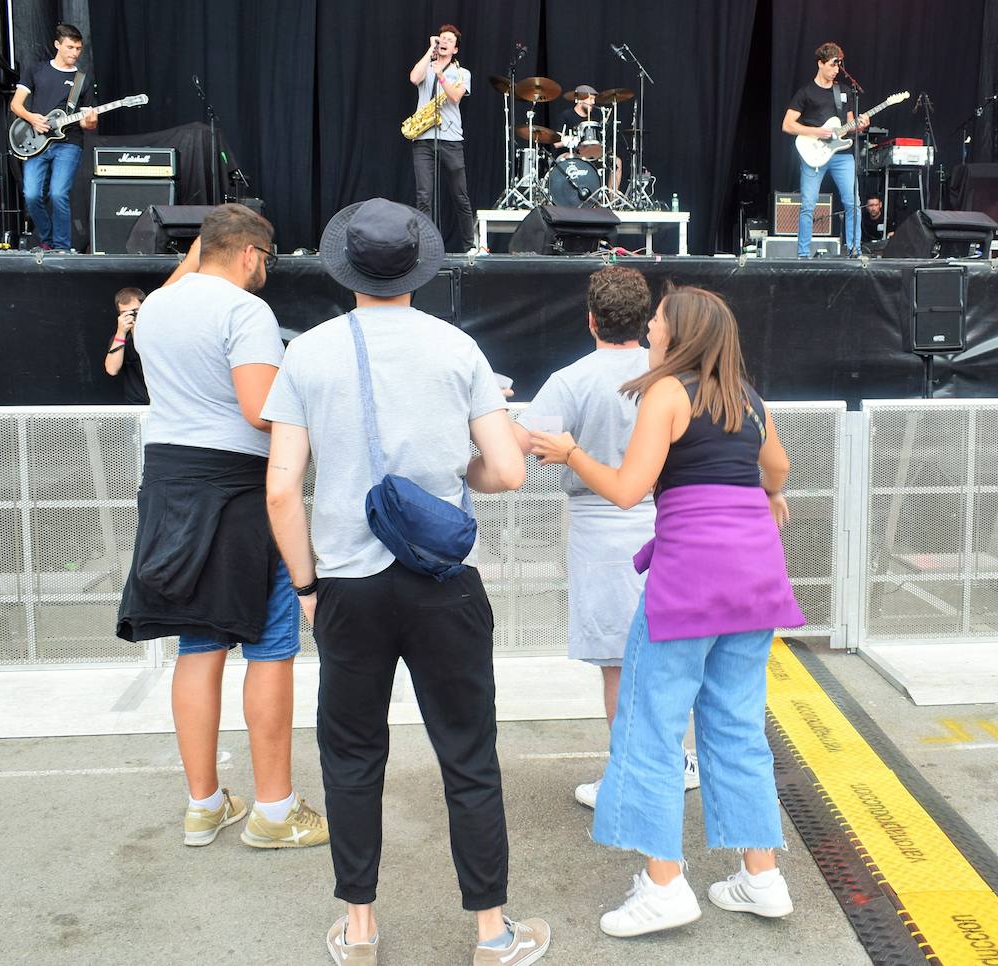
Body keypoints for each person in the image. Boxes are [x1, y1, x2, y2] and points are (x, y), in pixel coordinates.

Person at [263, 197, 550, 966]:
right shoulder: (458, 350)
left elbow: (283, 489)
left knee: (351, 756)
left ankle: (359, 928)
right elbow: (509, 471)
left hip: (348, 588)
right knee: (468, 755)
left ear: (345, 267)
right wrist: (455, 481)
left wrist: (305, 587)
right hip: (443, 583)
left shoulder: (309, 354)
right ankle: (492, 930)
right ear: (418, 267)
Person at [530, 287, 805, 938]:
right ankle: (760, 876)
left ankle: (663, 884)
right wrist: (769, 497)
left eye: (657, 321)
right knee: (737, 725)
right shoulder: (749, 399)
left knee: (650, 727)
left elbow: (629, 489)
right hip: (756, 580)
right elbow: (781, 468)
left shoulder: (667, 394)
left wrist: (569, 454)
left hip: (689, 581)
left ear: (677, 334)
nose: (649, 327)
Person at [117, 204, 329, 853]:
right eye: (264, 259)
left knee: (198, 647)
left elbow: (192, 270)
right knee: (269, 650)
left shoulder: (156, 307)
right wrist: (318, 406)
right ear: (249, 254)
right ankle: (273, 811)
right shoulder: (244, 312)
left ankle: (204, 807)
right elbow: (259, 409)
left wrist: (210, 236)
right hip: (236, 492)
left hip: (170, 486)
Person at [512, 266, 698, 809]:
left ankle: (627, 774)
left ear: (590, 318)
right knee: (667, 654)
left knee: (619, 661)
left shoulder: (573, 378)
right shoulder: (671, 374)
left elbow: (521, 441)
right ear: (647, 322)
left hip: (601, 530)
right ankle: (671, 757)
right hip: (669, 520)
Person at [10, 23, 97, 251]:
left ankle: (61, 246)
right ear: (57, 45)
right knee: (30, 195)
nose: (75, 53)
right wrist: (32, 118)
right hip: (37, 142)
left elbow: (86, 122)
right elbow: (16, 104)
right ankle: (47, 240)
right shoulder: (36, 70)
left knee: (58, 193)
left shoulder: (82, 81)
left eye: (78, 48)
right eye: (70, 47)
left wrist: (90, 120)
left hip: (69, 144)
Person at [782, 42, 869, 258]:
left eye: (838, 66)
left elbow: (849, 126)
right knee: (808, 205)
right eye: (832, 65)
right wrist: (816, 132)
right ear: (820, 63)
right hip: (814, 155)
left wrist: (860, 124)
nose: (836, 70)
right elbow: (787, 125)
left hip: (842, 155)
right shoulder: (806, 92)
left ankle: (854, 250)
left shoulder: (845, 91)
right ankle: (803, 254)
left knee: (853, 203)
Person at [409, 24, 475, 254]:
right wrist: (430, 52)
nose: (444, 41)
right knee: (423, 197)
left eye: (449, 39)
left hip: (451, 140)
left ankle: (470, 246)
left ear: (455, 49)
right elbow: (413, 78)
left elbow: (455, 97)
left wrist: (441, 76)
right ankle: (425, 248)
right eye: (441, 38)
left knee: (460, 196)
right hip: (423, 139)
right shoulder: (427, 66)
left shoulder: (461, 73)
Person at [104, 287, 149, 404]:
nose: (131, 316)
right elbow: (112, 369)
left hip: (163, 404)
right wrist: (121, 332)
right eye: (125, 314)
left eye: (135, 312)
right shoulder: (119, 339)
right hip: (136, 405)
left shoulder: (158, 334)